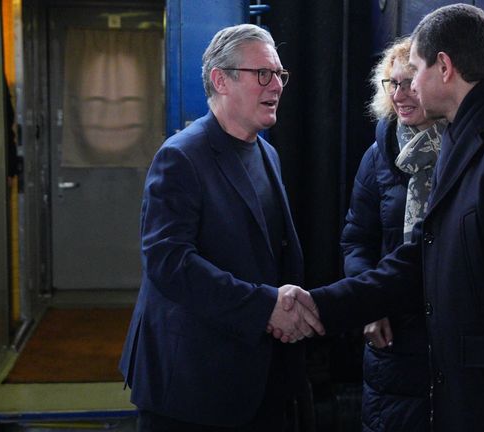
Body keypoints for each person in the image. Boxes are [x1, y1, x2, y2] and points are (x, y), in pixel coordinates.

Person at [275, 4, 484, 431]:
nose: (409, 87)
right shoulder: (464, 135)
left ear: (444, 67)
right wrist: (323, 306)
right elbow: (421, 257)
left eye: (416, 70)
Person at [119, 24, 323, 431]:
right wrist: (265, 307)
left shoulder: (267, 153)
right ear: (220, 80)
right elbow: (169, 264)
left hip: (258, 382)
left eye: (279, 75)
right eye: (262, 73)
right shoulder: (180, 157)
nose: (276, 85)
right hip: (191, 390)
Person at [342, 37, 443, 432]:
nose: (400, 95)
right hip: (393, 334)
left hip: (445, 328)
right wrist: (368, 304)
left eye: (409, 83)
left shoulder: (464, 147)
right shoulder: (380, 153)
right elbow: (356, 240)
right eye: (392, 84)